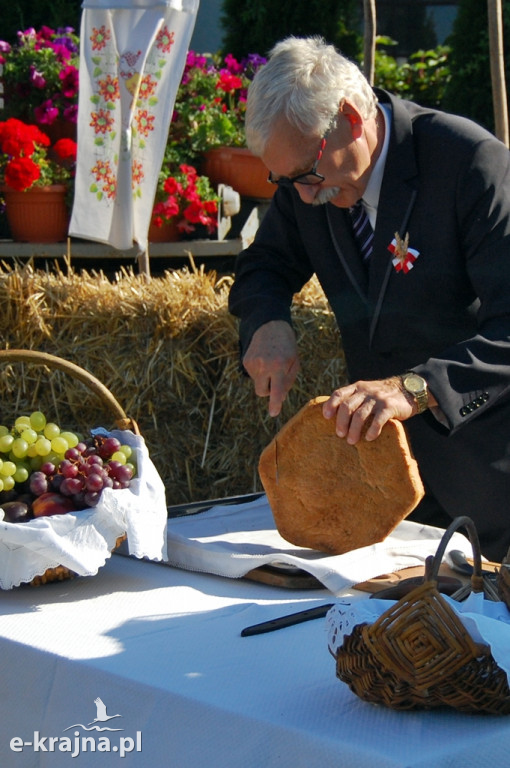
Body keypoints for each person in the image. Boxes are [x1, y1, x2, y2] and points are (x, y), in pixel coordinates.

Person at [228, 35, 510, 563]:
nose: (305, 196)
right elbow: (264, 266)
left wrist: (416, 387)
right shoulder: (310, 181)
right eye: (285, 182)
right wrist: (266, 320)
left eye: (308, 176)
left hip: (491, 490)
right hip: (385, 500)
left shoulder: (470, 164)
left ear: (353, 122)